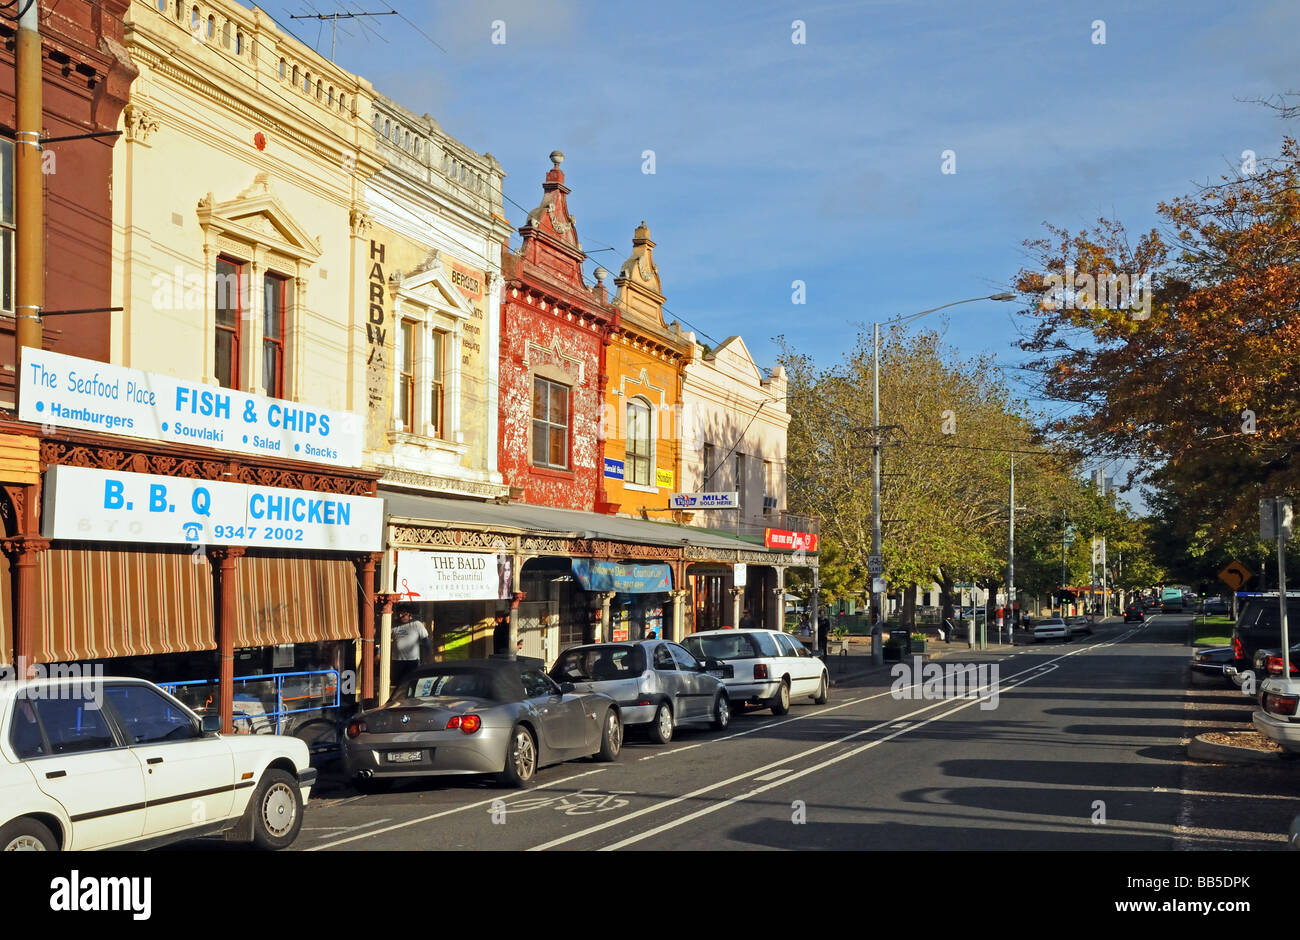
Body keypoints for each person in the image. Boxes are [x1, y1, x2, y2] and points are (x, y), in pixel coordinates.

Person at [391, 607, 430, 688]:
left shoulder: (416, 624)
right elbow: (384, 638)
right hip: (397, 661)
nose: (400, 616)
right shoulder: (393, 624)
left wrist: (428, 656)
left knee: (412, 684)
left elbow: (425, 640)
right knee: (396, 685)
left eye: (403, 614)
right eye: (399, 614)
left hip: (412, 661)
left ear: (409, 614)